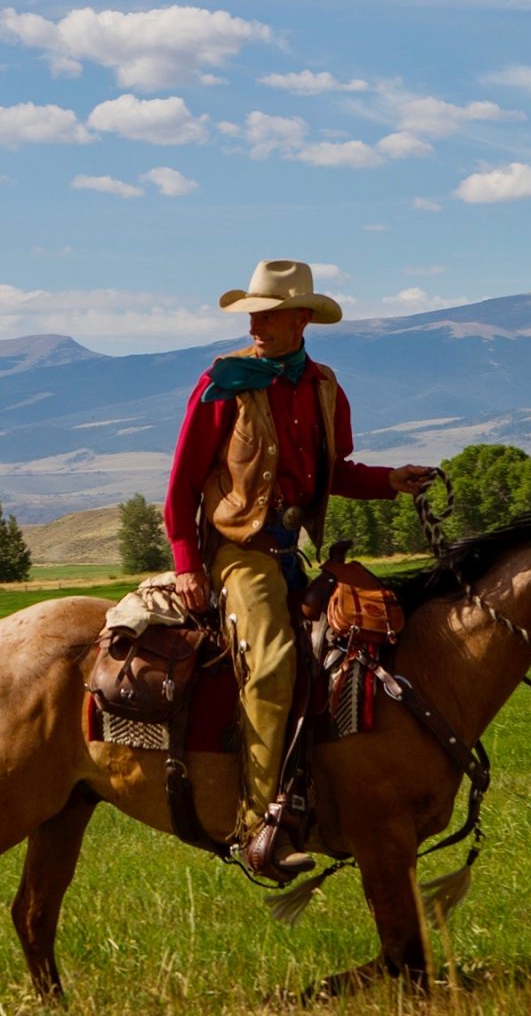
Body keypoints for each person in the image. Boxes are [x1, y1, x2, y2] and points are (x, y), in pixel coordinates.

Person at [164, 259, 435, 880]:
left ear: (301, 320)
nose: (256, 323)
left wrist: (390, 481)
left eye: (268, 313)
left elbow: (334, 470)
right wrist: (187, 563)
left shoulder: (324, 387)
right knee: (274, 663)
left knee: (364, 647)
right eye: (252, 314)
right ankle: (261, 825)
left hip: (294, 551)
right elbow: (180, 487)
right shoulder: (222, 383)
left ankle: (328, 793)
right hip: (240, 552)